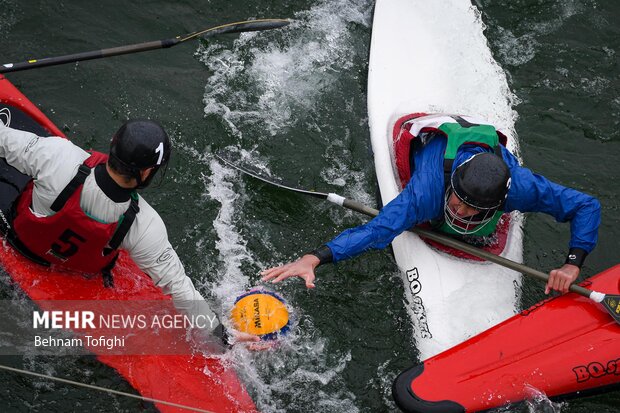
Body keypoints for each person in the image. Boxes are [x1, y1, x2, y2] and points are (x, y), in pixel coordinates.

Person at [261, 114, 601, 295]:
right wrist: (315, 257)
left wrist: (572, 264)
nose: (462, 212)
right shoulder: (425, 192)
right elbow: (379, 230)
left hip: (487, 162)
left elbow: (586, 206)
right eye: (458, 202)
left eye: (474, 210)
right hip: (432, 141)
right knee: (399, 219)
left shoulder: (520, 188)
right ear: (451, 186)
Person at [0, 119, 258, 349]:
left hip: (19, 243)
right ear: (146, 172)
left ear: (114, 145)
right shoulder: (145, 225)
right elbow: (180, 288)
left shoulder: (58, 155)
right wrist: (222, 337)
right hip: (75, 271)